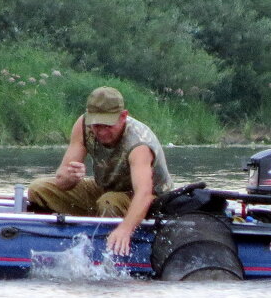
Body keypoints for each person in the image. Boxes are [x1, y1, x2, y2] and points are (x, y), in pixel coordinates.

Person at [28, 86, 172, 256]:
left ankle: (109, 245)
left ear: (123, 116)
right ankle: (52, 235)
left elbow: (144, 193)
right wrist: (69, 177)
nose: (101, 132)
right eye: (96, 125)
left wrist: (125, 230)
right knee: (38, 189)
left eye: (107, 125)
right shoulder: (83, 126)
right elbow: (61, 179)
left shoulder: (138, 144)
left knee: (108, 202)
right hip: (105, 189)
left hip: (147, 200)